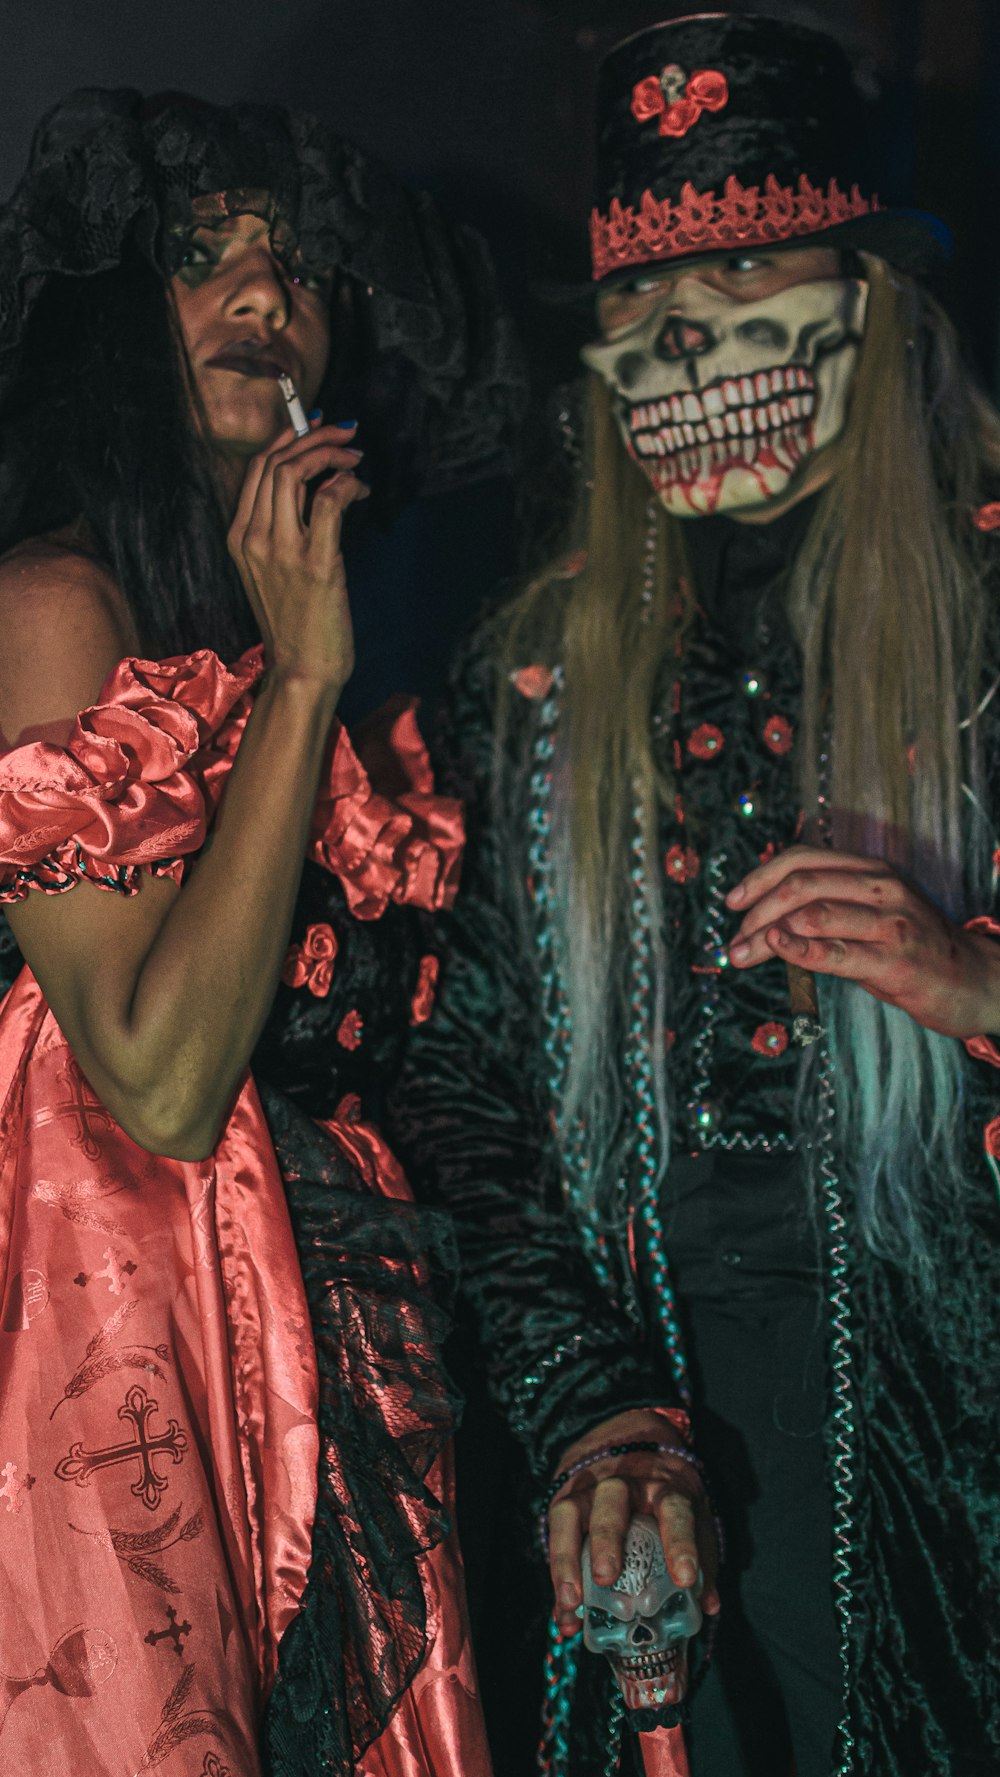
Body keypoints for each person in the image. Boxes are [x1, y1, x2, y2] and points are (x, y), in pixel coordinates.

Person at [389, 15, 1000, 1777]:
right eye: (646, 300)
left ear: (867, 295)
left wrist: (973, 980)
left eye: (747, 263)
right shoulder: (526, 686)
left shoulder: (980, 618)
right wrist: (592, 1401)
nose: (691, 330)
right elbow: (464, 1091)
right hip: (647, 1400)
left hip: (940, 1417)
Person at [0, 87, 520, 1776]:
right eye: (199, 255)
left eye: (293, 269)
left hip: (337, 1379)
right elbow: (152, 1078)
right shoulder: (57, 608)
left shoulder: (324, 665)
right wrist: (302, 682)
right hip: (131, 1410)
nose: (257, 294)